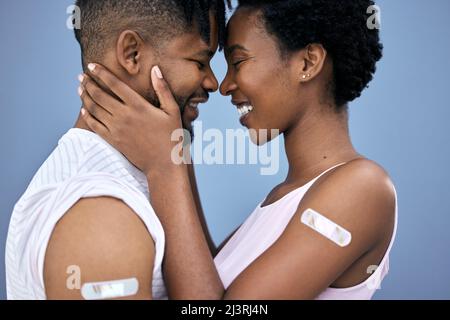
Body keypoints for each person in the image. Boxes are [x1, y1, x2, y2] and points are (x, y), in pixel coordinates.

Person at [80, 0, 397, 299]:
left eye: (239, 61)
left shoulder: (363, 188)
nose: (224, 84)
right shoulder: (284, 197)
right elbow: (203, 282)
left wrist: (163, 165)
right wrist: (177, 139)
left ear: (307, 62)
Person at [5, 0, 230, 300]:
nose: (213, 82)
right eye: (200, 62)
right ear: (132, 54)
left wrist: (171, 162)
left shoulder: (157, 166)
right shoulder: (100, 217)